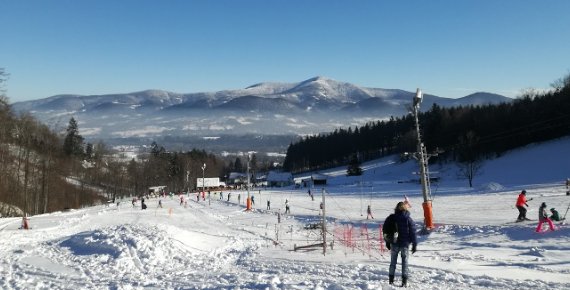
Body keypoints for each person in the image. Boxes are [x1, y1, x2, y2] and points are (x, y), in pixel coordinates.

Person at [384, 202, 417, 287]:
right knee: (405, 263)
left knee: (393, 262)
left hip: (394, 243)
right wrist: (414, 244)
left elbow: (386, 230)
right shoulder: (408, 219)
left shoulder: (391, 218)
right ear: (405, 208)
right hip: (405, 244)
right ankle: (404, 282)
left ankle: (391, 281)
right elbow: (413, 232)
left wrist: (387, 241)